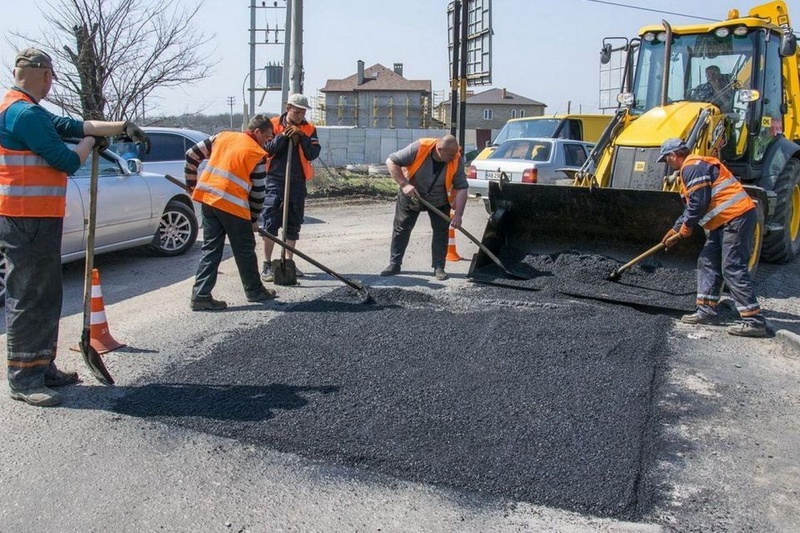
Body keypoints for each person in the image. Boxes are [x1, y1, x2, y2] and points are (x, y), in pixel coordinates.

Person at [0, 47, 150, 407]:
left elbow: (70, 125)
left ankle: (41, 364)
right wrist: (90, 143)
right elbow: (66, 159)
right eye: (51, 76)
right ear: (43, 74)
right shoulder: (23, 114)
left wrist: (119, 127)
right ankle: (24, 377)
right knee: (29, 296)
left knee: (45, 293)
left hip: (35, 216)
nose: (52, 83)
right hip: (25, 218)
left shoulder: (24, 108)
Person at [657, 137, 767, 337]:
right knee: (707, 260)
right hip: (723, 222)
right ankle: (707, 311)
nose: (667, 164)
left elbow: (699, 203)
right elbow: (693, 205)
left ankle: (754, 321)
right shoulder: (693, 168)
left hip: (736, 217)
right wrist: (675, 229)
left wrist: (685, 230)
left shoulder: (692, 167)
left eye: (666, 159)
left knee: (732, 266)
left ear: (673, 155)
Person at [185, 114, 277, 310]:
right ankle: (254, 290)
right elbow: (259, 193)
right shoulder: (256, 153)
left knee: (211, 249)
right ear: (257, 131)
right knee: (244, 249)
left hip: (209, 201)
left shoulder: (221, 137)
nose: (268, 142)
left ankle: (200, 295)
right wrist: (253, 219)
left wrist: (192, 187)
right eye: (267, 137)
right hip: (233, 206)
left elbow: (191, 155)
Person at [380, 134, 469, 281]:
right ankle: (394, 264)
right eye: (451, 154)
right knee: (402, 228)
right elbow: (391, 161)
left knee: (441, 231)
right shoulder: (420, 147)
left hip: (439, 199)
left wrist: (458, 214)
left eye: (456, 153)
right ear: (439, 149)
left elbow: (462, 188)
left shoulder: (456, 157)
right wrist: (404, 184)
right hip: (412, 194)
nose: (455, 157)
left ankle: (439, 267)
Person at [259, 94, 321, 282]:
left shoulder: (309, 129)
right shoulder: (273, 124)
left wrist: (302, 137)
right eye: (297, 111)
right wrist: (282, 138)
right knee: (270, 222)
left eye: (303, 112)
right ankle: (267, 264)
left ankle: (288, 262)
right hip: (275, 180)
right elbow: (265, 149)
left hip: (297, 181)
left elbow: (312, 154)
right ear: (288, 108)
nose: (301, 115)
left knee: (293, 223)